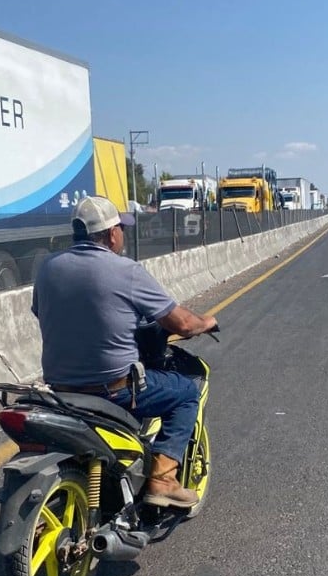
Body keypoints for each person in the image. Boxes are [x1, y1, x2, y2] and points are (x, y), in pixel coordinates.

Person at [31, 196, 218, 508]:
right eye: (120, 228)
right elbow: (183, 324)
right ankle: (162, 479)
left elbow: (43, 313)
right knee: (186, 392)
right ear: (111, 234)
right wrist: (207, 322)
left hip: (60, 388)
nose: (123, 234)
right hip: (114, 390)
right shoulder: (126, 271)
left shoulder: (48, 267)